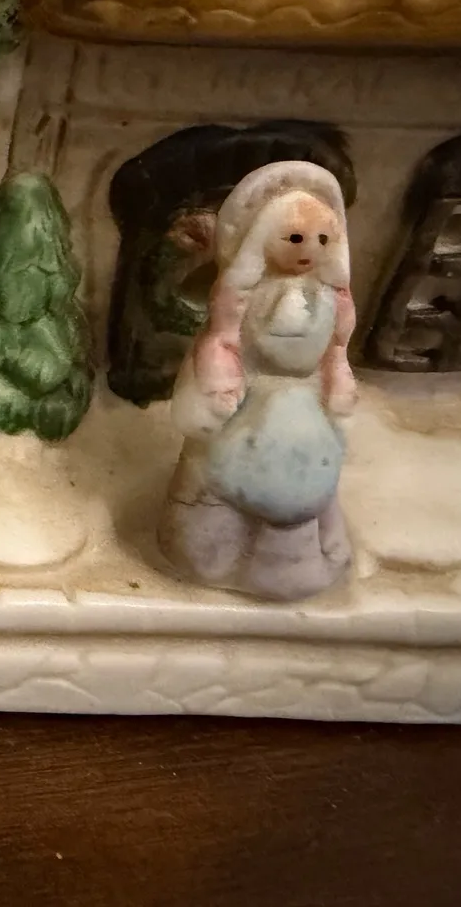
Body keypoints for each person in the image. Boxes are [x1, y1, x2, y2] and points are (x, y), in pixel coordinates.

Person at [160, 160, 356, 601]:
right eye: (295, 238)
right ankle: (212, 550)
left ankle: (290, 562)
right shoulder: (242, 296)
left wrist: (336, 384)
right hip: (247, 408)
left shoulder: (332, 298)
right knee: (220, 485)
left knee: (301, 491)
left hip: (303, 416)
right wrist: (218, 386)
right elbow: (222, 343)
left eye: (322, 239)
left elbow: (335, 350)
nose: (309, 250)